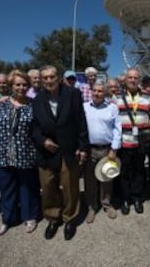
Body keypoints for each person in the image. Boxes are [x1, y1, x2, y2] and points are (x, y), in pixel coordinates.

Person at [31, 65, 89, 240]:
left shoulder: (73, 94)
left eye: (52, 77)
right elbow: (33, 127)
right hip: (46, 150)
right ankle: (53, 217)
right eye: (45, 78)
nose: (49, 80)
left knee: (70, 185)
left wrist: (82, 146)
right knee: (48, 185)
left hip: (69, 149)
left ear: (58, 77)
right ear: (41, 80)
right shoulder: (37, 99)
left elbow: (81, 121)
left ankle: (70, 218)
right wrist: (43, 140)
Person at [0, 69, 41, 235]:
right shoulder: (2, 103)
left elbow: (37, 129)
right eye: (18, 84)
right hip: (4, 153)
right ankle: (7, 219)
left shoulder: (33, 104)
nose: (21, 87)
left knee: (28, 187)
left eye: (25, 84)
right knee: (7, 188)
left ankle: (30, 217)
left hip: (26, 154)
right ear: (11, 86)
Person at [83, 81, 122, 223]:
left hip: (106, 149)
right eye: (94, 90)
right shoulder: (84, 107)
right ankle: (92, 207)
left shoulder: (112, 108)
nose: (97, 93)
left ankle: (106, 204)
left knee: (107, 178)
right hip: (90, 149)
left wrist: (114, 149)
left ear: (105, 93)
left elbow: (118, 129)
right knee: (90, 180)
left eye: (100, 91)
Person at [116, 68, 150, 215]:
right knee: (124, 172)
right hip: (124, 142)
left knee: (139, 171)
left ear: (139, 80)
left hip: (141, 142)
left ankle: (137, 197)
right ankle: (125, 199)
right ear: (125, 80)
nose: (132, 80)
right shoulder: (116, 97)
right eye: (130, 77)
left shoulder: (147, 96)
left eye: (135, 77)